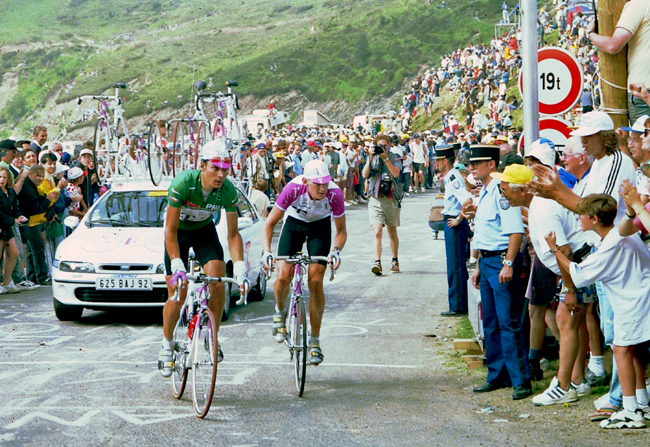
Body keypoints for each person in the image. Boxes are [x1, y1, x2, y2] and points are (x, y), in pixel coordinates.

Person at [546, 194, 650, 429]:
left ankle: (631, 410)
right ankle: (641, 402)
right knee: (631, 351)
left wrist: (554, 249)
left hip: (634, 301)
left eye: (580, 215)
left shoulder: (611, 245)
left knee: (621, 350)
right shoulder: (619, 233)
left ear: (593, 219)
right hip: (637, 298)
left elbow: (578, 274)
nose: (578, 219)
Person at [497, 164, 595, 406]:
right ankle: (578, 380)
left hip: (576, 267)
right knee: (575, 323)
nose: (503, 195)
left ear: (523, 191)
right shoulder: (538, 205)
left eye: (505, 190)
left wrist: (569, 288)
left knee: (565, 321)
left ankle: (563, 387)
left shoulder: (542, 210)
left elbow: (564, 250)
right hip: (577, 266)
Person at [158, 140, 248, 378]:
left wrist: (239, 266)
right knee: (177, 291)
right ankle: (166, 345)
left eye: (225, 169)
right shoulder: (183, 184)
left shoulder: (228, 191)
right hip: (178, 234)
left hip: (204, 232)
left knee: (218, 282)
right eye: (215, 168)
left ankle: (211, 336)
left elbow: (232, 234)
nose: (220, 175)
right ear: (202, 166)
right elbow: (170, 231)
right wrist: (176, 262)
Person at [261, 159, 347, 365]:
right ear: (306, 181)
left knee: (316, 281)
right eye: (317, 184)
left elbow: (341, 232)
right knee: (283, 275)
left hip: (320, 227)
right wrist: (266, 252)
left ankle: (315, 340)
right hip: (294, 225)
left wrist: (335, 251)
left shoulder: (335, 194)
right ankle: (280, 312)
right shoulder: (293, 188)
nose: (322, 188)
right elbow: (269, 224)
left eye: (325, 183)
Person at [463, 145, 531, 400]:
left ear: (491, 164)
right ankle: (497, 375)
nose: (472, 167)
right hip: (490, 260)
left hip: (502, 260)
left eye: (477, 163)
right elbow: (485, 235)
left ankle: (520, 380)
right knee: (490, 322)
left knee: (508, 323)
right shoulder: (487, 191)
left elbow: (515, 231)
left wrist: (509, 263)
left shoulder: (503, 192)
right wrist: (480, 265)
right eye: (471, 163)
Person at [587, 0, 650, 122]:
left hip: (642, 88)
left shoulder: (638, 5)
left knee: (641, 139)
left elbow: (612, 46)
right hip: (643, 88)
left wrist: (589, 33)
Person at [435, 144, 472, 316]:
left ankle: (458, 305)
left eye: (437, 160)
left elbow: (466, 201)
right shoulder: (450, 175)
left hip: (454, 224)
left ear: (444, 160)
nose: (435, 164)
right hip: (452, 223)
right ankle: (457, 303)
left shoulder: (453, 177)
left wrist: (458, 219)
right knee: (454, 264)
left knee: (455, 266)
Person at [362, 135, 402, 275]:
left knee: (392, 232)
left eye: (385, 146)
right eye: (380, 146)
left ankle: (395, 260)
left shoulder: (395, 157)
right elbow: (364, 174)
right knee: (377, 231)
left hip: (391, 199)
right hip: (375, 198)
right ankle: (377, 262)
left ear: (389, 145)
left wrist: (385, 158)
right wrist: (370, 157)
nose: (382, 148)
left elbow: (396, 174)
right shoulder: (373, 157)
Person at [17, 165, 58, 286]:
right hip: (31, 221)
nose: (40, 178)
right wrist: (48, 199)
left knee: (32, 250)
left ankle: (33, 276)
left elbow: (40, 203)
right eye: (38, 176)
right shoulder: (28, 188)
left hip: (34, 221)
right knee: (37, 248)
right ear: (31, 175)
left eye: (42, 176)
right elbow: (36, 208)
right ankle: (41, 276)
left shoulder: (33, 186)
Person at [0, 167, 28, 294]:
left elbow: (14, 207)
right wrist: (12, 220)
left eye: (4, 177)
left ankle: (6, 282)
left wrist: (19, 216)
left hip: (6, 227)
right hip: (3, 225)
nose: (2, 180)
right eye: (0, 177)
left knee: (14, 253)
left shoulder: (10, 192)